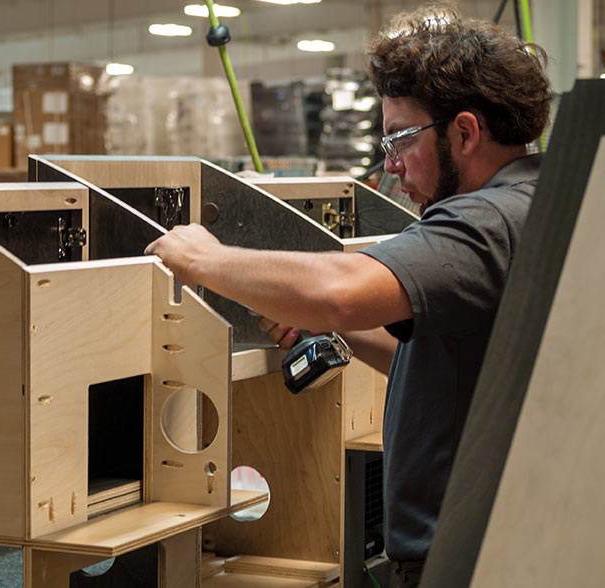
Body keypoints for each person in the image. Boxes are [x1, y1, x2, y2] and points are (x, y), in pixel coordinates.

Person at [145, 4, 552, 586]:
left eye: (401, 138)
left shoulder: (484, 222)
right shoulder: (532, 198)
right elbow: (442, 366)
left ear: (464, 132)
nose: (390, 165)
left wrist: (206, 260)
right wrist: (326, 325)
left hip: (463, 561)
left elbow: (339, 290)